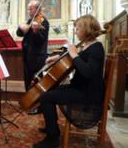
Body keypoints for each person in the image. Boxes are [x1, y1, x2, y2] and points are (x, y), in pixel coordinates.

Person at [33, 15, 105, 148]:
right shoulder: (89, 45)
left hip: (87, 94)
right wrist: (57, 58)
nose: (76, 31)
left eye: (78, 28)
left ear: (86, 29)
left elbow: (87, 71)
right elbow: (75, 61)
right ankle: (51, 128)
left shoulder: (97, 48)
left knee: (46, 97)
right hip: (80, 88)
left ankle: (52, 139)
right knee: (49, 91)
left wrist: (74, 54)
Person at [16, 0, 49, 114]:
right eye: (28, 8)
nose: (28, 10)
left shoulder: (43, 21)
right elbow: (19, 34)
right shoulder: (30, 20)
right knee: (27, 81)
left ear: (37, 9)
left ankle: (38, 106)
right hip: (27, 56)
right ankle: (29, 103)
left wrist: (35, 31)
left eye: (30, 8)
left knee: (36, 83)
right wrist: (21, 27)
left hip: (37, 58)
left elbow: (41, 40)